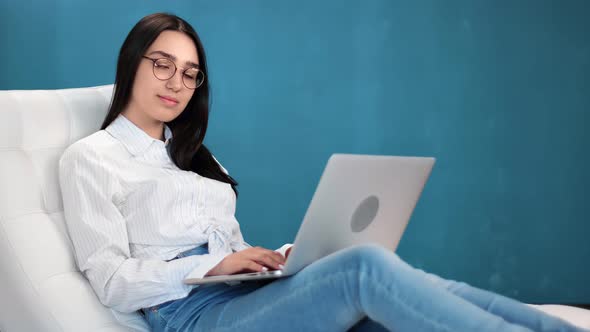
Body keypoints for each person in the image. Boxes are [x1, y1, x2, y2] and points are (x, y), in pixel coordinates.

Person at [58, 12, 587, 332]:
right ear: (132, 62)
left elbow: (234, 252)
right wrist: (213, 267)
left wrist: (283, 260)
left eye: (190, 74)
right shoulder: (90, 159)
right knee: (363, 270)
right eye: (162, 63)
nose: (176, 82)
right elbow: (110, 281)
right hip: (191, 315)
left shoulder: (199, 156)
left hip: (244, 297)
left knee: (385, 283)